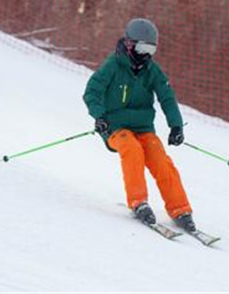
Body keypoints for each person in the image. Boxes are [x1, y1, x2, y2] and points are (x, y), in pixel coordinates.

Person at [83, 18, 196, 232]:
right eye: (142, 47)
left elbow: (167, 97)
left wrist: (176, 126)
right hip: (115, 128)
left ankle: (180, 209)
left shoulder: (152, 70)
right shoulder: (113, 65)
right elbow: (92, 92)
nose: (146, 54)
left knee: (159, 157)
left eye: (151, 49)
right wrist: (99, 116)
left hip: (143, 129)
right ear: (129, 44)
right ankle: (138, 202)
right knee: (132, 149)